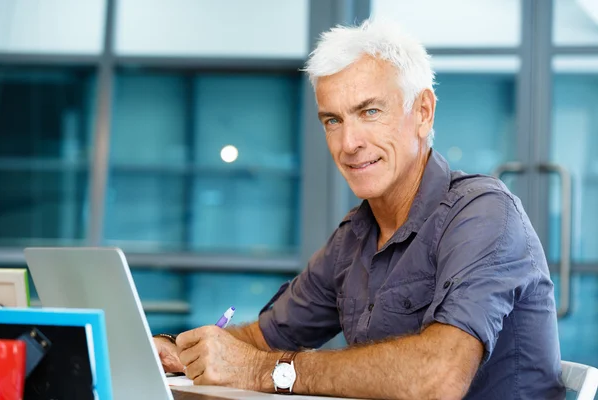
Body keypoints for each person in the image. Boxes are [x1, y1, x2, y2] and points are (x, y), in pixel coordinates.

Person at [153, 19, 565, 399]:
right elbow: (263, 340)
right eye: (332, 120)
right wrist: (178, 349)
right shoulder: (355, 235)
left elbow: (438, 377)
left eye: (369, 112)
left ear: (423, 112)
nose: (349, 143)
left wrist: (269, 372)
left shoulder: (484, 214)